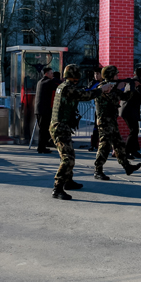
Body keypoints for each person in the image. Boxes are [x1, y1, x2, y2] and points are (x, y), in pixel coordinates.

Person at [49, 64, 112, 200]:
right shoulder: (67, 88)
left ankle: (68, 181)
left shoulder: (63, 86)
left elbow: (81, 93)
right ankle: (57, 188)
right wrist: (101, 90)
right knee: (68, 158)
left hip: (60, 126)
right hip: (60, 127)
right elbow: (84, 95)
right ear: (75, 77)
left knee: (68, 155)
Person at [93, 66, 141, 180]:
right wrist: (119, 86)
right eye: (116, 75)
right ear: (111, 76)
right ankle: (98, 170)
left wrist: (131, 86)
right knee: (104, 146)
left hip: (112, 121)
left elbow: (125, 97)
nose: (118, 77)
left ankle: (127, 167)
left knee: (119, 145)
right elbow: (112, 97)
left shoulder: (113, 88)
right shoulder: (103, 88)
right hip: (105, 122)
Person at [34, 67, 60, 154]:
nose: (52, 75)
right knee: (44, 129)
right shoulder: (49, 82)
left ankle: (42, 146)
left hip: (39, 109)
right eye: (51, 73)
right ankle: (41, 148)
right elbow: (59, 87)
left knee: (43, 129)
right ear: (46, 74)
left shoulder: (40, 82)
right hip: (44, 110)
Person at [86, 70, 103, 152]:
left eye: (97, 74)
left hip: (105, 108)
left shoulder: (105, 83)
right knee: (96, 127)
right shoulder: (93, 83)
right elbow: (87, 91)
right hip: (97, 108)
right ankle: (93, 145)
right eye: (95, 74)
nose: (96, 76)